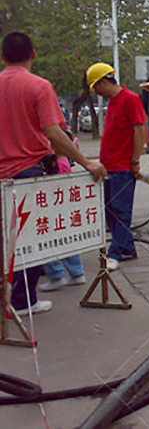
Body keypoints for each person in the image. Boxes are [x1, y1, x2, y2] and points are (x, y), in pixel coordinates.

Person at [0, 32, 107, 315]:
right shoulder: (39, 86)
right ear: (33, 54)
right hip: (29, 175)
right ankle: (23, 302)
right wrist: (86, 162)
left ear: (3, 56)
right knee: (30, 241)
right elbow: (54, 133)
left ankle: (9, 298)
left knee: (6, 240)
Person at [86, 63, 146, 272]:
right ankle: (127, 248)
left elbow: (139, 130)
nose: (97, 92)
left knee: (121, 211)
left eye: (97, 88)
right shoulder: (113, 103)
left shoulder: (130, 99)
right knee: (110, 210)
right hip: (109, 167)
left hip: (122, 167)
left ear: (104, 82)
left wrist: (135, 161)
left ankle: (115, 254)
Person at [38, 127, 87, 291]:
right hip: (65, 209)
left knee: (47, 240)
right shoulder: (65, 161)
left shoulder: (56, 163)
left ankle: (56, 274)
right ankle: (77, 273)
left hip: (54, 208)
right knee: (68, 240)